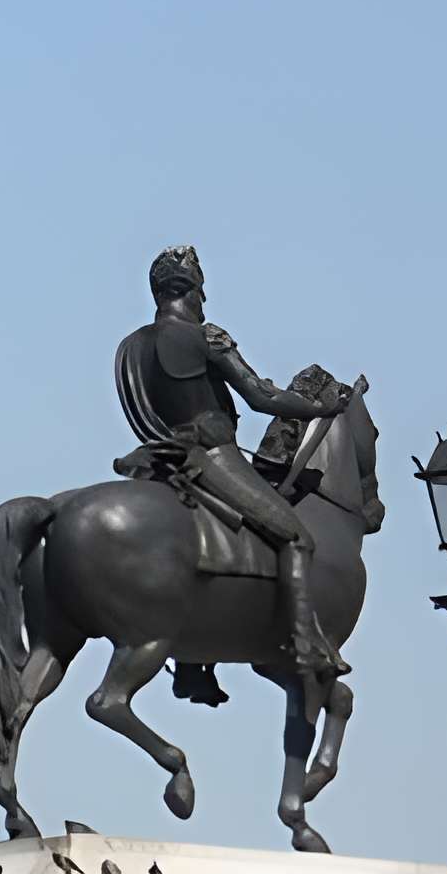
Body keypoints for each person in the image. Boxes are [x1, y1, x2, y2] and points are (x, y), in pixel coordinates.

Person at [112, 245, 352, 680]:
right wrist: (322, 409)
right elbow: (262, 396)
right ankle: (306, 642)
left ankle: (191, 666)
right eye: (202, 293)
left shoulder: (131, 346)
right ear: (191, 290)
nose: (204, 302)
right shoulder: (205, 336)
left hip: (159, 459)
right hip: (211, 456)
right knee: (296, 537)